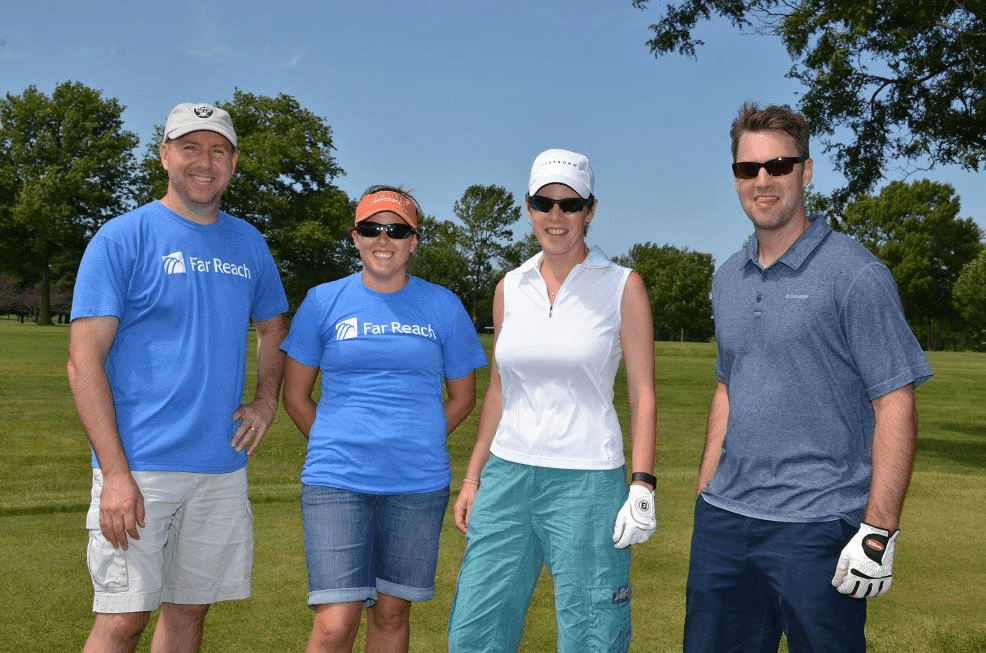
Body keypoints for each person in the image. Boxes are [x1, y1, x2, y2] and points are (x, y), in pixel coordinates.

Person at [683, 103, 934, 653]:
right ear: (735, 178)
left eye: (779, 165)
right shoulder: (727, 277)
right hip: (725, 523)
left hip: (819, 529)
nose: (764, 180)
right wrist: (706, 490)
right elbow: (728, 385)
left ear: (807, 170)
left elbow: (895, 401)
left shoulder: (857, 274)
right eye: (749, 169)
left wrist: (878, 529)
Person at [67, 102, 289, 653]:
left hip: (219, 464)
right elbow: (82, 362)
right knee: (123, 620)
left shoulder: (249, 244)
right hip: (139, 467)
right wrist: (115, 475)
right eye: (189, 147)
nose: (204, 161)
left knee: (188, 614)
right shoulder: (122, 238)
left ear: (234, 162)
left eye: (217, 149)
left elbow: (273, 325)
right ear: (165, 155)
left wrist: (266, 401)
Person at [447, 149, 658, 653]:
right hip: (506, 477)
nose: (556, 217)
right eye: (545, 203)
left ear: (591, 209)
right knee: (474, 632)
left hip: (587, 481)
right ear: (529, 208)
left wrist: (643, 484)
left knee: (591, 636)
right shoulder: (509, 286)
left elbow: (642, 392)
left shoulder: (622, 285)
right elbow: (500, 388)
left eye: (570, 204)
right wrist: (474, 477)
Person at [280, 185, 487, 653]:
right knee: (335, 621)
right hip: (336, 480)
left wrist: (415, 440)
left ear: (414, 240)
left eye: (397, 229)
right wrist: (340, 441)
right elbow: (295, 395)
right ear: (355, 236)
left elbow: (463, 397)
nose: (383, 238)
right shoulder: (321, 301)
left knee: (392, 613)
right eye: (372, 228)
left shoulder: (443, 306)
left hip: (416, 483)